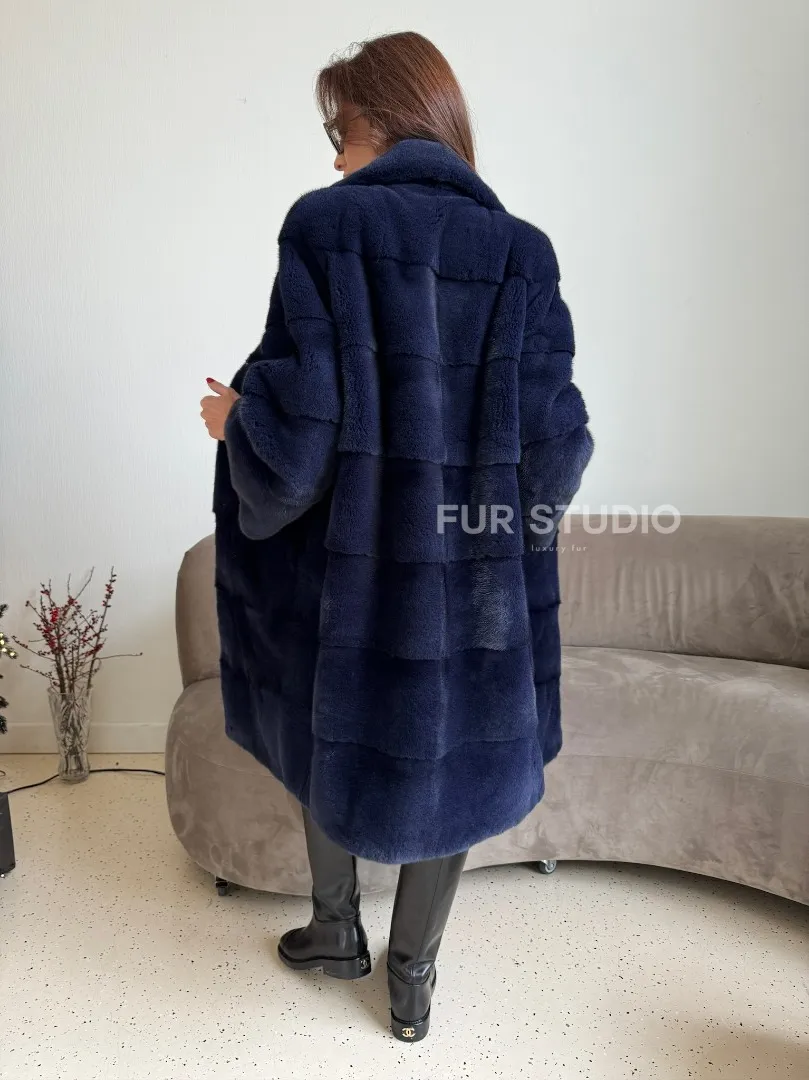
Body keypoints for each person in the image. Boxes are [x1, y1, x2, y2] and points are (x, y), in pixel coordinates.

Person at [200, 30, 593, 1043]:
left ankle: (336, 932)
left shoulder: (327, 228)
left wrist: (235, 420)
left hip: (349, 583)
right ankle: (412, 977)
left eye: (341, 130)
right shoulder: (522, 253)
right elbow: (555, 450)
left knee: (321, 727)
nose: (336, 157)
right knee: (453, 755)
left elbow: (297, 443)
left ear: (380, 117)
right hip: (477, 589)